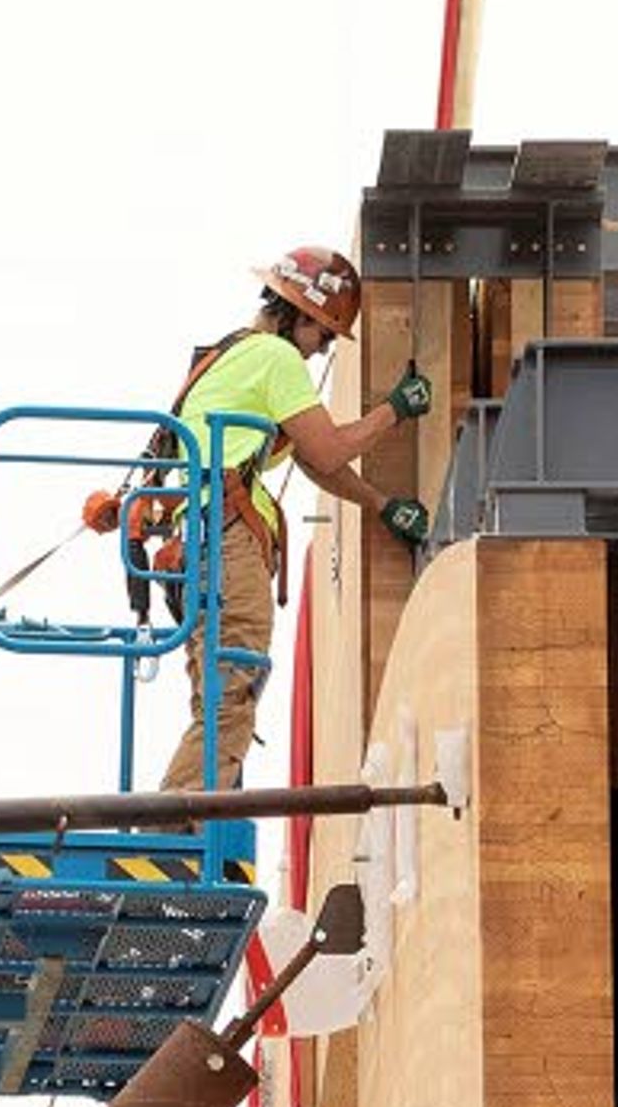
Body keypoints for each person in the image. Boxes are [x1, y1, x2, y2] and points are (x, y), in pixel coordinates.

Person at [85, 244, 436, 792]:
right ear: (299, 315)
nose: (320, 353)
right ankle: (181, 834)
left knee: (221, 700)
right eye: (323, 336)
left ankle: (185, 828)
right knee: (230, 702)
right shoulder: (277, 359)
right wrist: (396, 409)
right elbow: (330, 450)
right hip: (225, 542)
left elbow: (309, 457)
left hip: (200, 540)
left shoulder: (236, 355)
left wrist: (379, 505)